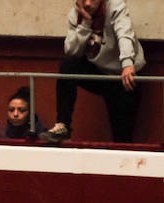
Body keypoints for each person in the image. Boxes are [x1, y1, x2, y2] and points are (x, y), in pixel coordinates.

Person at [42, 0, 146, 144]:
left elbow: (124, 33)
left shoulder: (115, 6)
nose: (88, 3)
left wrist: (127, 63)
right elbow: (71, 51)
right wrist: (85, 23)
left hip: (123, 77)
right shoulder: (75, 14)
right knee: (68, 65)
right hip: (99, 73)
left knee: (122, 138)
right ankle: (63, 125)